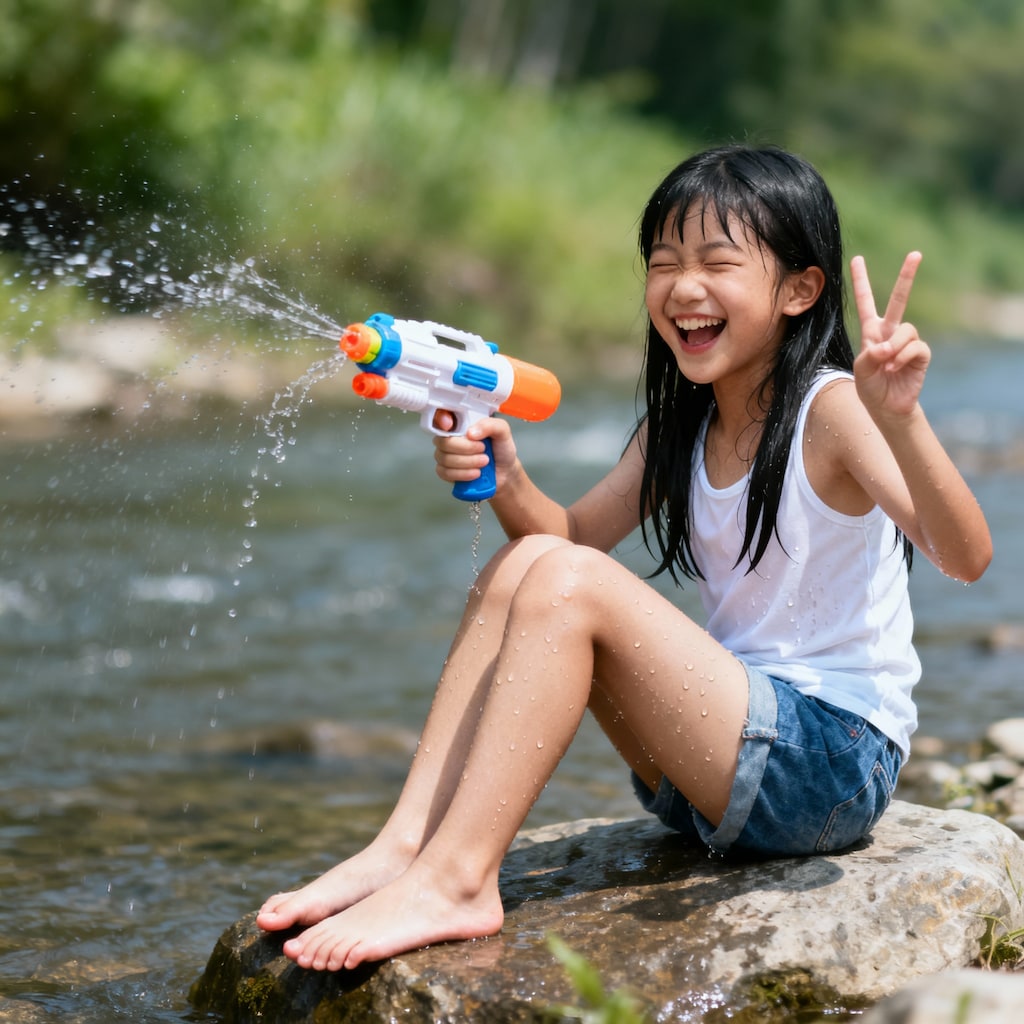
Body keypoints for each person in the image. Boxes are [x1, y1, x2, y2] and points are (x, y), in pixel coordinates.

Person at [256, 144, 992, 971]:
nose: (683, 288)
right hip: (710, 764)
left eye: (718, 262)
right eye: (664, 263)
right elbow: (559, 544)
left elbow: (965, 557)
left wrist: (902, 418)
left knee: (562, 581)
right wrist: (507, 475)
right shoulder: (679, 429)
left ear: (799, 289)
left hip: (828, 765)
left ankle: (460, 881)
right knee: (521, 567)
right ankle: (409, 844)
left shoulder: (835, 409)